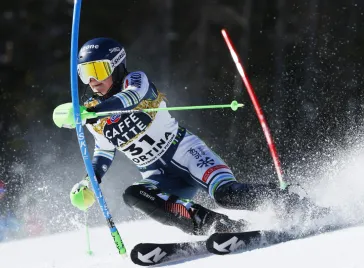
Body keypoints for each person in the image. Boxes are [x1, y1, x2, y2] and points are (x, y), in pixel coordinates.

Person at [64, 37, 329, 236]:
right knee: (134, 194)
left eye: (97, 71)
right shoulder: (93, 115)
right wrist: (90, 181)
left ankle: (293, 203)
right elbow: (103, 153)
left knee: (226, 194)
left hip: (186, 154)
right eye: (84, 74)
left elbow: (130, 99)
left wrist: (93, 111)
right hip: (158, 176)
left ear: (117, 66)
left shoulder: (135, 81)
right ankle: (217, 225)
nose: (92, 81)